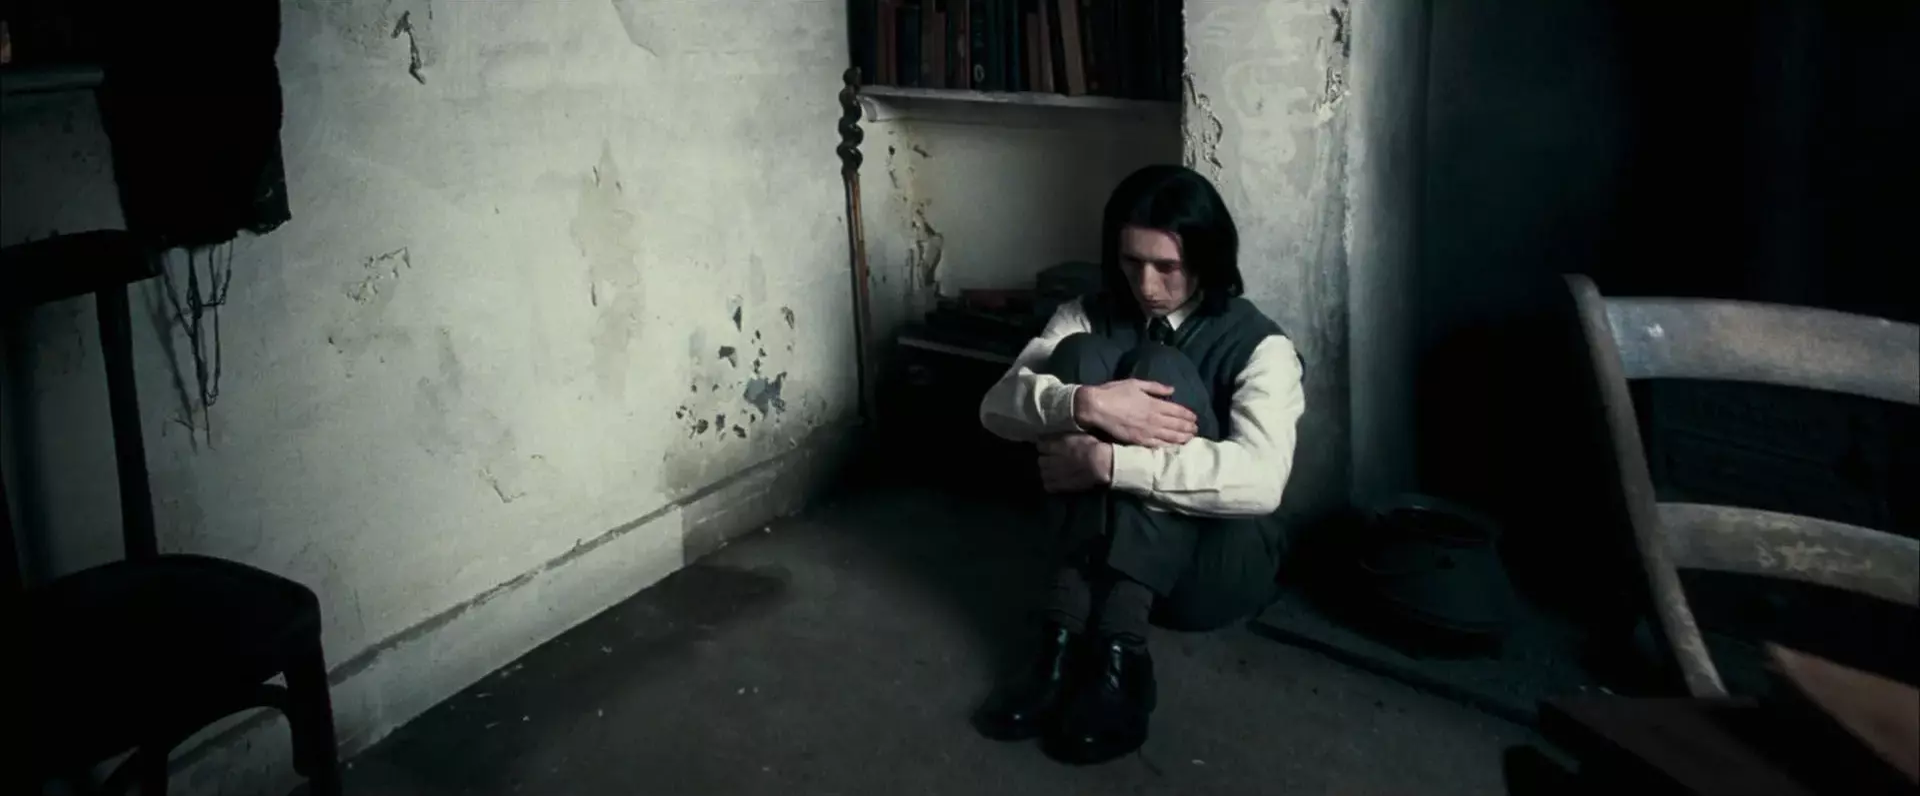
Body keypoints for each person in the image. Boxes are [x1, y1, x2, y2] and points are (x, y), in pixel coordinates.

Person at [972, 164, 1306, 764]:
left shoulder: (1262, 345)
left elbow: (1262, 482)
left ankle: (1123, 653)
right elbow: (996, 408)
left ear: (1206, 259)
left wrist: (1109, 463)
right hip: (1102, 560)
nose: (1146, 285)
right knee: (1078, 357)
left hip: (1209, 570)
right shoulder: (1086, 311)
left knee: (1160, 367)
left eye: (1167, 267)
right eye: (1131, 262)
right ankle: (1063, 640)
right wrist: (1085, 404)